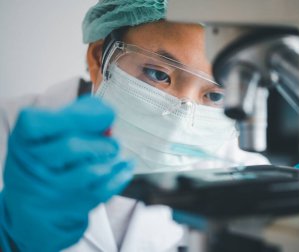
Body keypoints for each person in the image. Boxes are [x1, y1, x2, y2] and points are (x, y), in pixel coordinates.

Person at [0, 0, 269, 251]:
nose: (180, 119)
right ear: (99, 59)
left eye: (215, 95)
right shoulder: (8, 128)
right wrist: (10, 239)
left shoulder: (242, 173)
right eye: (158, 74)